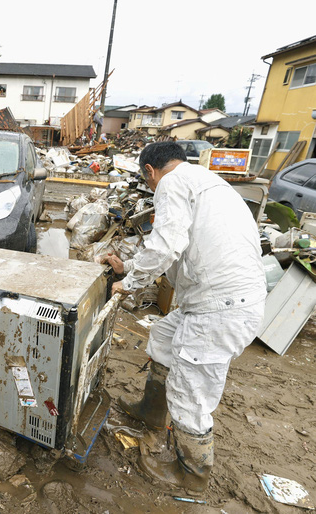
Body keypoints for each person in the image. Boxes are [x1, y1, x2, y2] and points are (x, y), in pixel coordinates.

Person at [103, 141, 266, 492]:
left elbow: (165, 246)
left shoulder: (171, 183)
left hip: (219, 308)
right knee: (162, 335)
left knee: (190, 389)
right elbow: (178, 249)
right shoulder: (207, 182)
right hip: (227, 300)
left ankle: (191, 475)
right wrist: (127, 266)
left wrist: (127, 284)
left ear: (150, 171)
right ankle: (151, 411)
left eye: (148, 181)